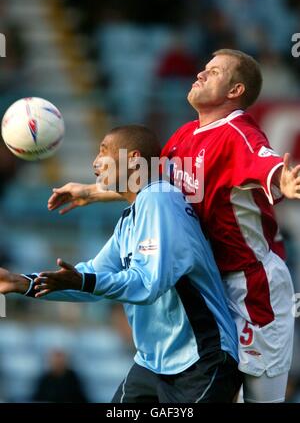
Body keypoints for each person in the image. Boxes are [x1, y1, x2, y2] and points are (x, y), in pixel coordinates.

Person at [47, 49, 300, 403]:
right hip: (213, 285)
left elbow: (267, 164)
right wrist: (89, 192)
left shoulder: (237, 134)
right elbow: (147, 180)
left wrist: (284, 181)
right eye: (204, 68)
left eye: (213, 72)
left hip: (253, 288)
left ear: (235, 91)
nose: (200, 74)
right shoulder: (185, 135)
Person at [0, 125, 241, 403]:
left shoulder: (159, 199)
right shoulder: (130, 219)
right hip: (153, 364)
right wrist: (21, 282)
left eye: (103, 151)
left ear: (134, 160)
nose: (94, 162)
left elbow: (147, 284)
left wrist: (83, 281)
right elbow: (91, 276)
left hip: (200, 360)